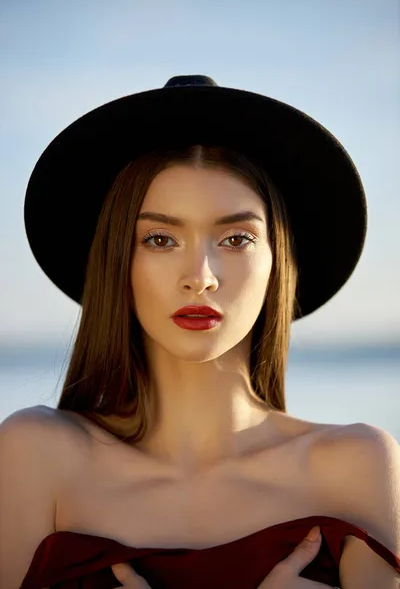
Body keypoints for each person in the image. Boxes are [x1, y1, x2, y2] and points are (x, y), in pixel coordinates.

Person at [1, 75, 399, 589]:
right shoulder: (34, 456)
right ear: (117, 260)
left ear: (280, 263)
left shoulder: (356, 465)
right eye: (161, 239)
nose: (201, 275)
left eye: (236, 238)